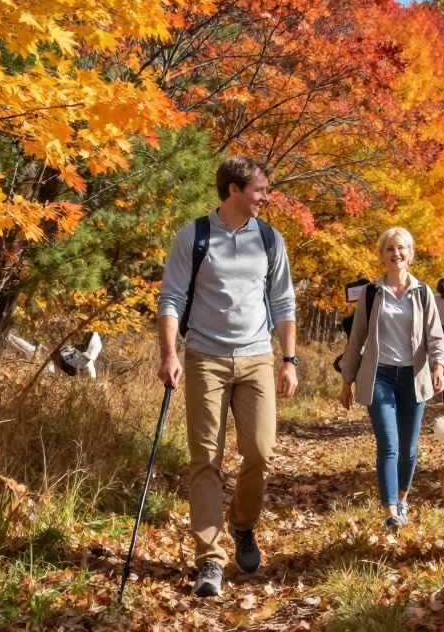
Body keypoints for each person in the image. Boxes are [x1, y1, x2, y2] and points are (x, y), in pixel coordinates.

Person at [157, 156, 299, 598]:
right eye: (259, 189)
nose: (265, 197)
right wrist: (169, 354)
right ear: (234, 190)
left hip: (257, 358)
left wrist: (289, 359)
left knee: (260, 452)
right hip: (205, 358)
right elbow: (171, 299)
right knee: (205, 460)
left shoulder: (270, 240)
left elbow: (284, 302)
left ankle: (242, 523)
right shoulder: (195, 236)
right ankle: (210, 560)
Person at [338, 227, 444, 530]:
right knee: (389, 444)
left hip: (414, 377)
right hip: (379, 376)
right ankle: (390, 512)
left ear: (410, 253)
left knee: (409, 448)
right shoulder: (372, 293)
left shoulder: (423, 293)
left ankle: (402, 498)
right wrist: (347, 380)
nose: (396, 254)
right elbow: (356, 337)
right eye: (390, 249)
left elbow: (435, 338)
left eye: (401, 248)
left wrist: (439, 367)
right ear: (382, 254)